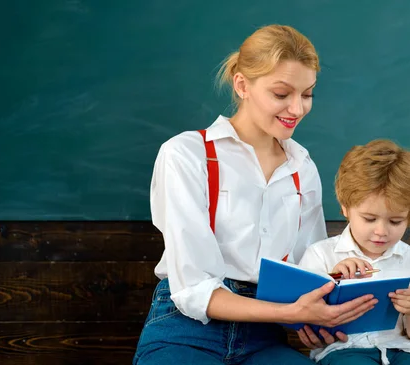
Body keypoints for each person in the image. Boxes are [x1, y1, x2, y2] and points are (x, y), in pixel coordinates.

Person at [133, 24, 378, 365]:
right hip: (186, 329)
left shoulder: (302, 167)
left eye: (307, 94)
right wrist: (290, 309)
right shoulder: (187, 154)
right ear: (242, 84)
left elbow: (309, 268)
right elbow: (193, 289)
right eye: (282, 94)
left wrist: (321, 303)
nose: (297, 109)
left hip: (266, 337)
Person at [297, 139, 410, 365]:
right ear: (345, 207)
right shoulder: (320, 255)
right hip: (345, 350)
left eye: (395, 221)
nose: (381, 231)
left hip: (405, 349)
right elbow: (304, 316)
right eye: (369, 219)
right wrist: (333, 280)